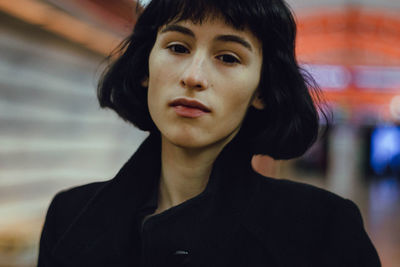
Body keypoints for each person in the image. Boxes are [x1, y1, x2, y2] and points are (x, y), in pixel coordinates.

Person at [37, 0, 381, 266]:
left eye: (228, 57)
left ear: (261, 91)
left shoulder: (324, 229)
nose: (194, 76)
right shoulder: (69, 217)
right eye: (178, 48)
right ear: (145, 68)